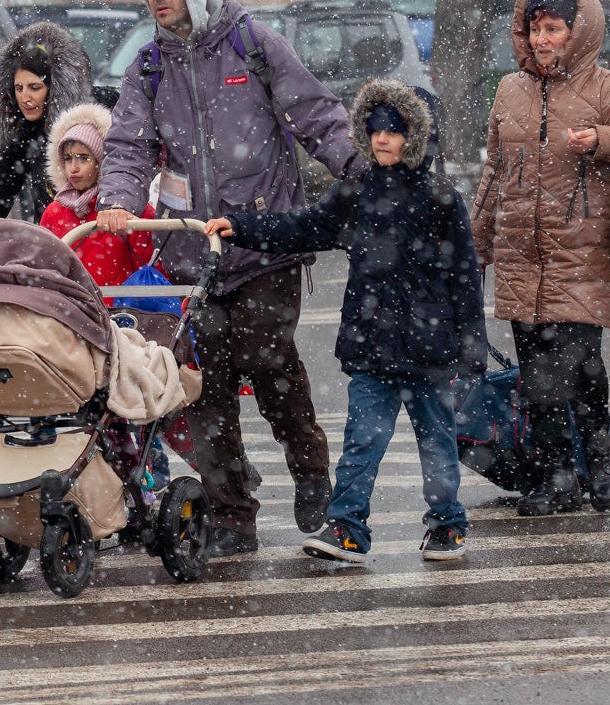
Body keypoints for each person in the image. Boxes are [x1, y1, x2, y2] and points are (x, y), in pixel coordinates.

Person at [98, 0, 364, 555]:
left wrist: (362, 173)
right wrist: (117, 197)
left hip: (263, 242)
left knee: (269, 361)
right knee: (202, 386)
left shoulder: (252, 43)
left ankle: (310, 469)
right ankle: (231, 513)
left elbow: (315, 115)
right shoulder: (148, 68)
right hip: (192, 254)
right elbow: (129, 146)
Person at [206, 80, 485, 564]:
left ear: (418, 136)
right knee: (361, 443)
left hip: (429, 352)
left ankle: (447, 523)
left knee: (437, 445)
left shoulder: (441, 200)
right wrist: (243, 227)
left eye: (395, 131)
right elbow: (303, 226)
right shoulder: (356, 193)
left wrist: (471, 347)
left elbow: (465, 278)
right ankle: (348, 527)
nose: (382, 140)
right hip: (372, 347)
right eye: (375, 130)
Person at [472, 0, 610, 518]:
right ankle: (560, 475)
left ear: (576, 32)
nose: (543, 39)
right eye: (535, 29)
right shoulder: (509, 90)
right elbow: (494, 172)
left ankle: (594, 466)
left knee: (576, 367)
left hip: (582, 254)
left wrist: (604, 140)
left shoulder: (606, 88)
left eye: (554, 29)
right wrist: (476, 246)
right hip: (521, 254)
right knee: (539, 368)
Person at [0, 21, 96, 222]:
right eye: (19, 88)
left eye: (34, 87)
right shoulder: (25, 132)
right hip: (51, 237)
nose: (24, 98)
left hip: (96, 234)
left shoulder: (91, 122)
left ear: (54, 89)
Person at [37, 102, 156, 288]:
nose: (73, 168)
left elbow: (151, 275)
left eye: (84, 158)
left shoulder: (129, 209)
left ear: (102, 162)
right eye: (67, 158)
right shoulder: (54, 212)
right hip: (70, 311)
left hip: (122, 313)